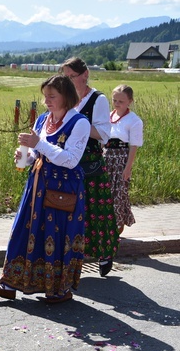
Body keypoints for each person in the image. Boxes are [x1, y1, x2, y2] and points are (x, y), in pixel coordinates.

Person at [0, 74, 90, 304]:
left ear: (66, 96)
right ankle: (9, 283)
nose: (47, 101)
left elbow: (71, 160)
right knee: (24, 230)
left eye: (52, 96)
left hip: (65, 187)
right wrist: (27, 156)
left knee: (58, 236)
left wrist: (38, 144)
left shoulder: (79, 122)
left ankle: (58, 289)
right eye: (45, 96)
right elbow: (37, 153)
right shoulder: (43, 119)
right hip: (38, 184)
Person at [61, 57, 119, 277]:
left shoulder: (98, 99)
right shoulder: (65, 98)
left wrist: (79, 124)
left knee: (96, 212)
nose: (67, 81)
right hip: (67, 162)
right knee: (69, 210)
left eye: (71, 76)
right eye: (64, 77)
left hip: (89, 162)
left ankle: (104, 253)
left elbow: (104, 135)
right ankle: (71, 256)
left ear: (85, 74)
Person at [104, 85, 143, 234]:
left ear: (130, 101)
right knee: (105, 194)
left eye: (121, 101)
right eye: (114, 100)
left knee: (118, 194)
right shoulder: (108, 116)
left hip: (120, 160)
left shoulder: (134, 121)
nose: (117, 103)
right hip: (106, 157)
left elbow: (134, 146)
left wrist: (128, 168)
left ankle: (117, 228)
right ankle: (104, 228)